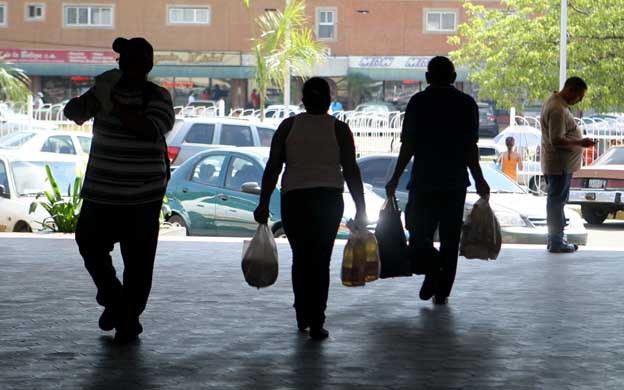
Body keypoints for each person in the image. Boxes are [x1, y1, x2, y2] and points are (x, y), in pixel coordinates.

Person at [64, 37, 175, 343]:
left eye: (135, 60)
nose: (127, 65)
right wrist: (92, 97)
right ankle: (116, 301)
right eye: (123, 60)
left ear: (148, 65)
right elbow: (72, 113)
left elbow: (148, 129)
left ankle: (126, 317)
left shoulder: (158, 96)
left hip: (143, 196)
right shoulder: (104, 91)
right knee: (88, 242)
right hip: (101, 192)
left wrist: (110, 102)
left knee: (138, 263)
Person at [254, 77, 367, 340]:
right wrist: (361, 207)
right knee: (320, 261)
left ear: (303, 100)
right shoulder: (339, 130)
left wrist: (263, 202)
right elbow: (351, 170)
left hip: (295, 200)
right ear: (329, 101)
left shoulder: (288, 127)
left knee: (301, 259)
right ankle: (317, 319)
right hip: (328, 200)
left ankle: (302, 311)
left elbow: (273, 168)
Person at [385, 56, 490, 305]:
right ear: (453, 78)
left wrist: (395, 177)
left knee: (418, 234)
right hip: (454, 184)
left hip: (423, 182)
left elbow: (407, 145)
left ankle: (432, 268)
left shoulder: (418, 102)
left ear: (428, 78)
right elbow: (469, 148)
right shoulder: (466, 104)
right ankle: (442, 289)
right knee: (450, 239)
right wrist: (479, 179)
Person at [540, 76, 596, 253]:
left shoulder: (556, 103)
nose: (579, 100)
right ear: (570, 89)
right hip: (559, 166)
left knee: (557, 201)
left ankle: (557, 239)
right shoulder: (557, 109)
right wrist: (581, 143)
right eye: (579, 96)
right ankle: (556, 241)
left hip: (560, 165)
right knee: (556, 202)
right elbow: (556, 140)